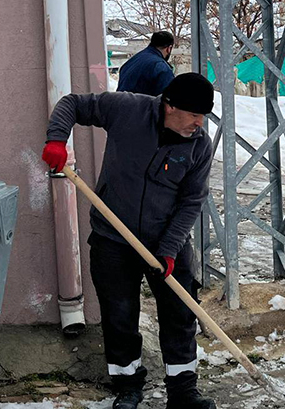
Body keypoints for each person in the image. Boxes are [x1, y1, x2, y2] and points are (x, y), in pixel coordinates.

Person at [41, 73, 215, 409]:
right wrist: (56, 140)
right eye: (194, 115)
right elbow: (73, 104)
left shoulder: (199, 146)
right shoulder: (127, 109)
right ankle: (128, 386)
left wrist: (168, 250)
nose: (199, 123)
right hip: (113, 237)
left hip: (167, 239)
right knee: (119, 315)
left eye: (203, 116)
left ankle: (182, 391)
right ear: (170, 105)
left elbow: (192, 201)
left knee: (180, 313)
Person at [117, 31, 176, 96]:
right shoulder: (161, 67)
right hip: (141, 105)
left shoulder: (133, 61)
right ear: (169, 48)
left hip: (119, 103)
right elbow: (168, 99)